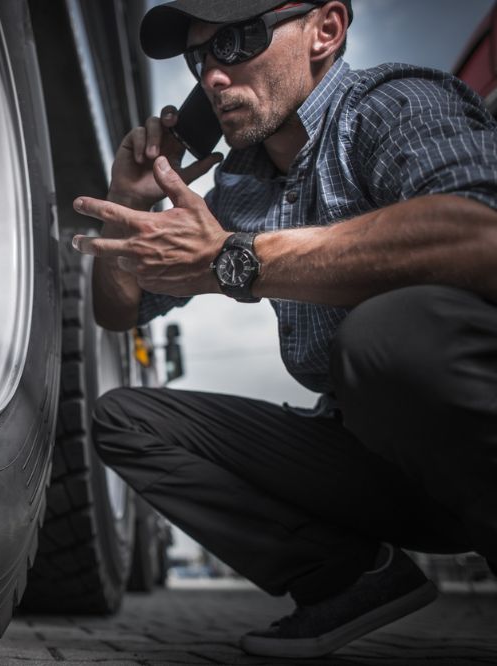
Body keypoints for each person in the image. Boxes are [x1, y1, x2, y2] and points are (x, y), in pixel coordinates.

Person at [70, 0, 497, 658]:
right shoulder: (240, 186)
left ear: (325, 31)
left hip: (466, 429)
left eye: (239, 41)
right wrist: (129, 203)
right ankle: (351, 577)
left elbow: (481, 238)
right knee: (126, 421)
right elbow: (119, 310)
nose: (213, 75)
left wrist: (236, 261)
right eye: (199, 57)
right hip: (380, 459)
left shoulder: (393, 105)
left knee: (386, 335)